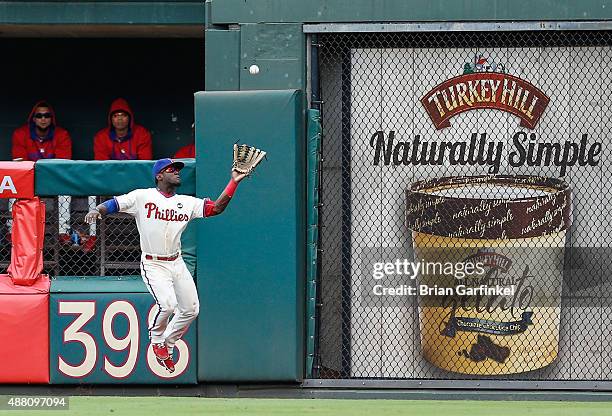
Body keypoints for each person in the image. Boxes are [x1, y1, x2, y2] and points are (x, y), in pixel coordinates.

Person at [85, 158, 248, 373]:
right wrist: (97, 210)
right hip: (153, 263)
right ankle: (156, 339)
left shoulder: (187, 202)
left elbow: (216, 208)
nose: (177, 172)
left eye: (178, 169)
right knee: (168, 304)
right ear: (159, 176)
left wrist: (233, 181)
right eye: (171, 170)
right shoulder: (142, 196)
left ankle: (167, 345)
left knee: (191, 309)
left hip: (176, 261)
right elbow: (114, 203)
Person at [10, 101, 74, 234]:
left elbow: (63, 163)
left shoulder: (61, 134)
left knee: (65, 192)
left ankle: (63, 232)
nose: (43, 119)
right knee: (13, 187)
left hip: (54, 179)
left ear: (52, 118)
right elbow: (19, 163)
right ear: (33, 118)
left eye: (47, 115)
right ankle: (12, 230)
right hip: (28, 179)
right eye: (39, 116)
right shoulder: (21, 134)